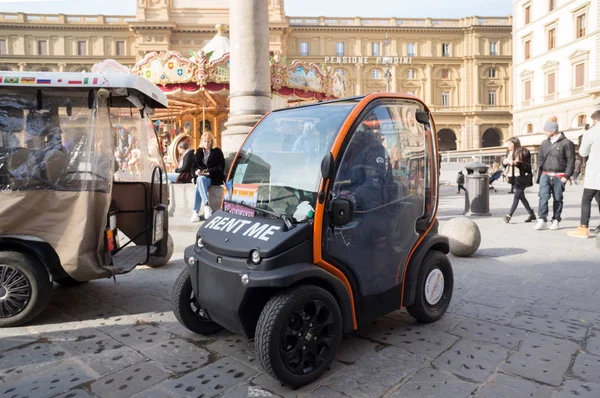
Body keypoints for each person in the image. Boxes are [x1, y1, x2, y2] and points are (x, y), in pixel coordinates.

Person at [534, 117, 575, 231]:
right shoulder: (544, 143)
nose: (544, 132)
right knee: (543, 197)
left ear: (553, 131)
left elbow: (571, 160)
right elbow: (541, 159)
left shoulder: (567, 143)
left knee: (557, 198)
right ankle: (542, 219)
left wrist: (566, 176)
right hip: (545, 174)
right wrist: (541, 172)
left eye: (546, 130)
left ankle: (556, 220)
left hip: (559, 175)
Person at [568, 111, 600, 238]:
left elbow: (583, 152)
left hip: (595, 172)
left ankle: (583, 227)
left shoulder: (591, 132)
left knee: (586, 198)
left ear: (595, 120)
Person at [191, 133, 225, 222]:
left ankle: (196, 211)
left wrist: (206, 172)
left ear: (211, 142)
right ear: (202, 141)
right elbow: (193, 167)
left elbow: (220, 167)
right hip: (201, 178)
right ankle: (206, 207)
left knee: (200, 181)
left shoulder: (217, 152)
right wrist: (196, 172)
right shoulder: (198, 153)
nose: (206, 143)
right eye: (205, 141)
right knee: (199, 179)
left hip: (212, 178)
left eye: (208, 141)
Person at [502, 137, 536, 223]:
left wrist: (516, 163)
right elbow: (506, 165)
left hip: (522, 177)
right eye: (508, 143)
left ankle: (509, 215)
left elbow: (527, 165)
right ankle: (531, 214)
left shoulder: (522, 151)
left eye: (510, 143)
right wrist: (504, 163)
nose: (508, 145)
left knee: (516, 195)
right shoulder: (509, 152)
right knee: (521, 197)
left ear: (515, 143)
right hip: (514, 177)